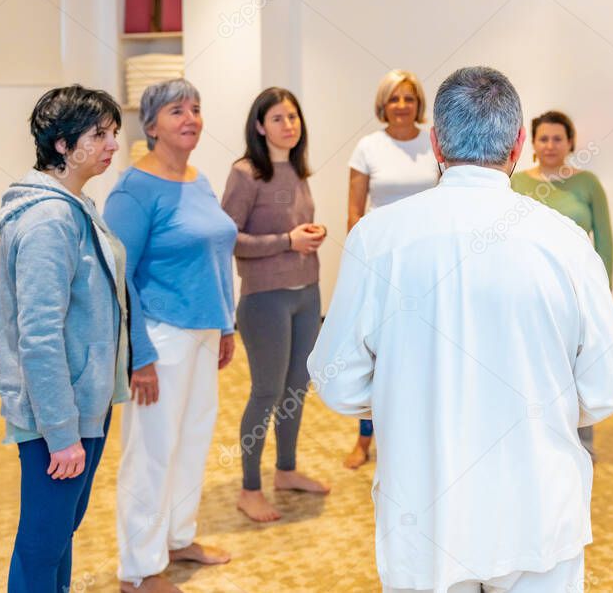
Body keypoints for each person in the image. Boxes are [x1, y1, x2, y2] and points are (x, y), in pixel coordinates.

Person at [309, 66, 613, 592]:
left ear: (436, 142)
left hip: (425, 509)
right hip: (537, 511)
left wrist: (405, 396)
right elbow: (606, 384)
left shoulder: (377, 239)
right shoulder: (567, 241)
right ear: (518, 145)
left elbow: (336, 377)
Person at [0, 85, 155, 593]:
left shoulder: (75, 205)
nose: (113, 145)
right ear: (61, 145)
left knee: (58, 536)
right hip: (54, 416)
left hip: (83, 401)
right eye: (99, 134)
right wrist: (61, 433)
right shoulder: (49, 219)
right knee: (42, 546)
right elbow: (38, 337)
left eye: (114, 133)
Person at [105, 79, 237, 593]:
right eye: (178, 110)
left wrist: (225, 324)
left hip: (204, 333)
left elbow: (216, 256)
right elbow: (120, 276)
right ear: (152, 123)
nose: (192, 118)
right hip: (160, 338)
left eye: (197, 109)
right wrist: (139, 354)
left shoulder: (199, 180)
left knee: (192, 442)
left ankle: (178, 539)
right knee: (151, 451)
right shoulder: (134, 190)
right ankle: (138, 570)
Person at [222, 87, 330, 522]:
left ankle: (285, 471)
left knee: (296, 388)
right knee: (267, 391)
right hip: (264, 299)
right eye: (279, 119)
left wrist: (308, 234)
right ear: (259, 126)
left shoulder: (299, 170)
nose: (289, 126)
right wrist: (288, 240)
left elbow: (292, 226)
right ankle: (249, 488)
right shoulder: (246, 174)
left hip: (307, 293)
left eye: (294, 117)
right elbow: (229, 238)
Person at [343, 69, 439, 469]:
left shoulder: (435, 142)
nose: (402, 105)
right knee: (377, 351)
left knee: (426, 349)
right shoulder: (368, 147)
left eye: (409, 98)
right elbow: (354, 211)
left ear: (419, 103)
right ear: (383, 104)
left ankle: (422, 431)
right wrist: (360, 264)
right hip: (382, 264)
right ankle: (366, 438)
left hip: (429, 262)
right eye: (394, 98)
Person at [511, 110, 613, 459]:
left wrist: (603, 296)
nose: (551, 145)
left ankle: (580, 446)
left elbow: (605, 242)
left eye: (558, 138)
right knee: (531, 365)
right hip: (525, 293)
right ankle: (533, 442)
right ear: (532, 144)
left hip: (576, 293)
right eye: (543, 138)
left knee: (577, 368)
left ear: (570, 143)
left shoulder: (588, 184)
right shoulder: (516, 183)